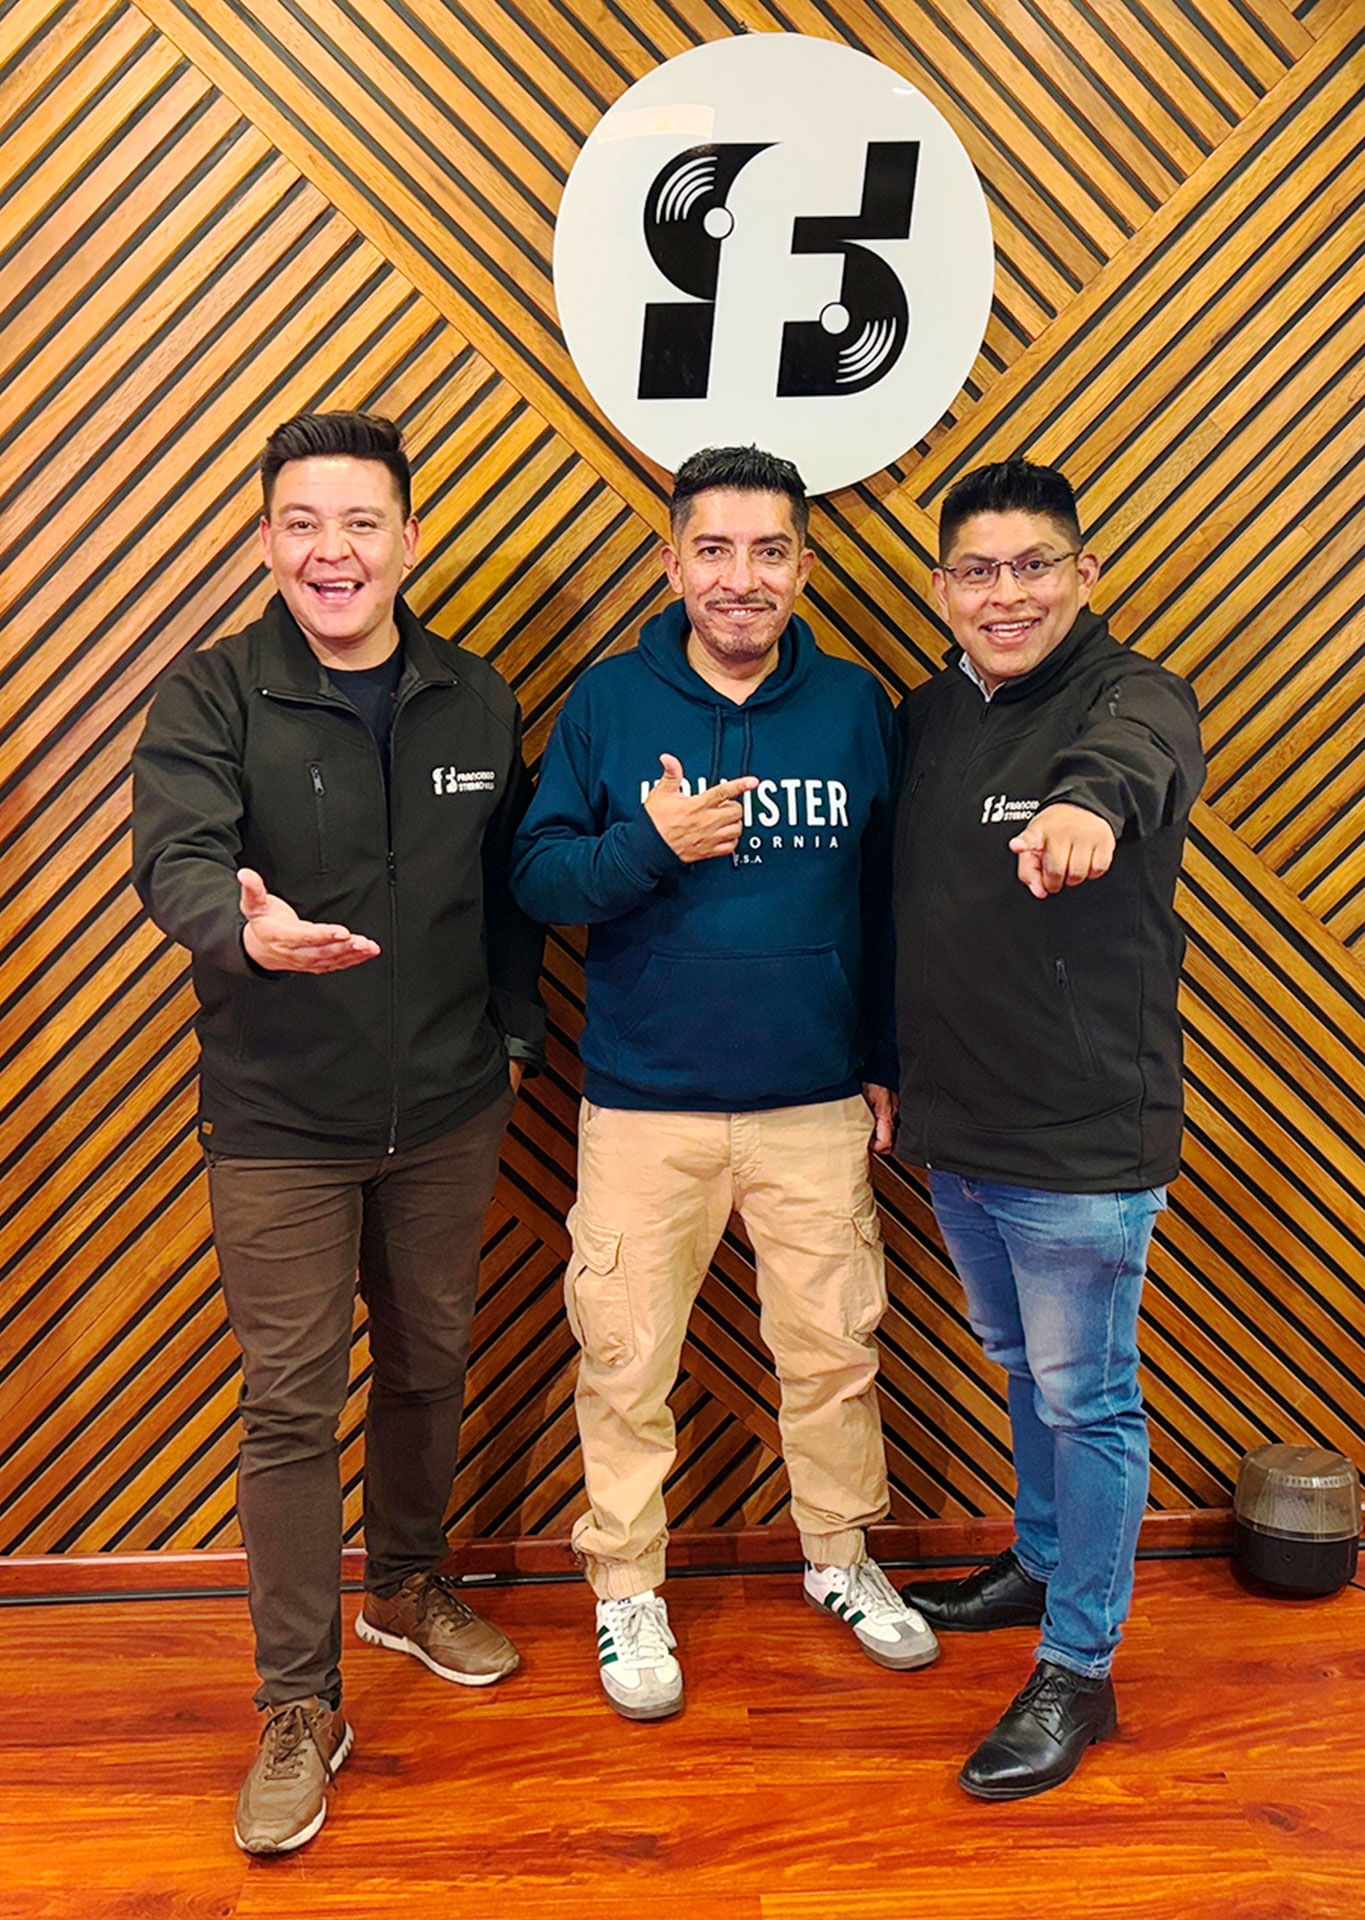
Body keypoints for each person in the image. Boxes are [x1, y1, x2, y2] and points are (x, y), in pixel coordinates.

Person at [132, 411, 544, 1853]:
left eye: (361, 522)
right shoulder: (211, 694)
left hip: (448, 1109)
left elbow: (507, 894)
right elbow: (177, 857)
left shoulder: (475, 698)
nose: (333, 551)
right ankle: (298, 1704)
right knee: (292, 1409)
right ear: (266, 542)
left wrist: (510, 1038)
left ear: (407, 540)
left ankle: (408, 1586)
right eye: (303, 523)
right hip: (279, 1120)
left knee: (430, 1364)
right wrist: (239, 929)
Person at [510, 444, 938, 1721]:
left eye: (768, 552)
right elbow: (536, 878)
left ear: (802, 566)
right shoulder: (608, 701)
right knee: (625, 1361)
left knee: (833, 1353)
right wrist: (649, 844)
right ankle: (627, 1586)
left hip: (814, 1105)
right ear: (672, 562)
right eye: (714, 550)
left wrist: (884, 1061)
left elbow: (891, 900)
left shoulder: (855, 706)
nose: (740, 577)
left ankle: (840, 1558)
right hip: (645, 1108)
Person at [892, 458, 1204, 1799]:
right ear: (943, 588)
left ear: (1085, 573)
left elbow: (1128, 763)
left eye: (1033, 567)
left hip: (1082, 1139)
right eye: (978, 571)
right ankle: (1039, 1560)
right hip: (956, 1127)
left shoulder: (1133, 697)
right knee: (1022, 1364)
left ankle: (1080, 1665)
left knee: (1090, 1400)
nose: (1005, 595)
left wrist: (1084, 806)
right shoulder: (927, 715)